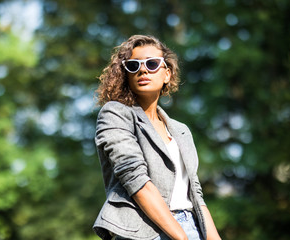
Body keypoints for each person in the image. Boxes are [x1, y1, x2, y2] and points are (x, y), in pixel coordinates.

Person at [93, 35, 221, 240]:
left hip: (192, 227)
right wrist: (180, 237)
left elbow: (195, 193)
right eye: (133, 65)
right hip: (145, 230)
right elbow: (135, 179)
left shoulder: (181, 130)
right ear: (126, 74)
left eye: (152, 64)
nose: (143, 70)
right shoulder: (115, 114)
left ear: (167, 74)